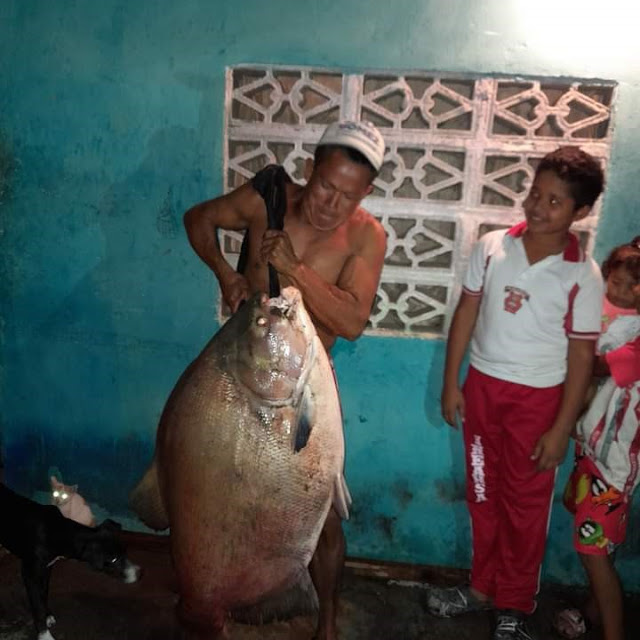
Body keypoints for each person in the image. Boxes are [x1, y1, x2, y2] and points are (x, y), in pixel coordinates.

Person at [183, 120, 387, 640]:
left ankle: (328, 621)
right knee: (223, 491)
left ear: (365, 194)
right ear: (310, 169)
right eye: (324, 185)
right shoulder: (266, 198)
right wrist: (227, 275)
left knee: (322, 512)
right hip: (240, 376)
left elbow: (351, 322)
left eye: (346, 195)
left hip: (307, 386)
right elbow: (198, 220)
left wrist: (294, 269)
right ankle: (227, 597)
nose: (328, 203)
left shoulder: (367, 236)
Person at [429, 146, 606, 640]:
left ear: (580, 213)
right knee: (483, 495)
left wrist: (560, 428)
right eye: (534, 195)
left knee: (524, 508)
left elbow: (580, 358)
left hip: (537, 404)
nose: (537, 207)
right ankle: (482, 587)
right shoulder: (491, 247)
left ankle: (513, 604)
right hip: (482, 391)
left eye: (554, 202)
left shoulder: (582, 276)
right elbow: (465, 314)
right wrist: (451, 383)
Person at [554, 237, 640, 640]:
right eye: (616, 283)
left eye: (632, 287)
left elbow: (596, 366)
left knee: (592, 551)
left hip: (615, 465)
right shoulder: (616, 319)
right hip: (593, 451)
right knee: (599, 545)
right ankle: (591, 612)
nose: (620, 294)